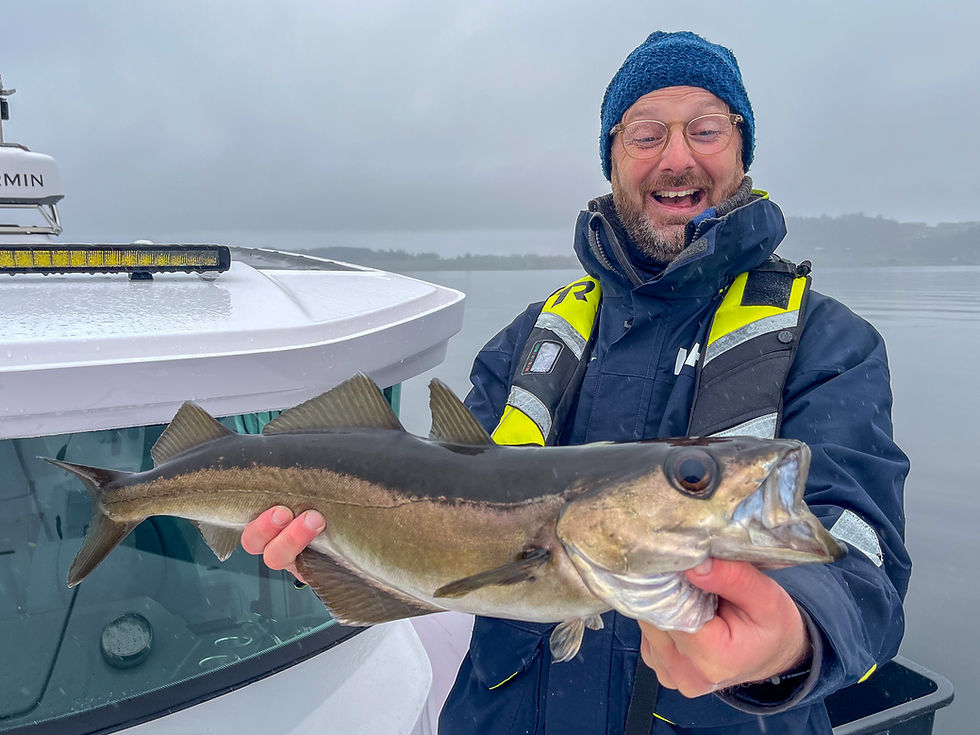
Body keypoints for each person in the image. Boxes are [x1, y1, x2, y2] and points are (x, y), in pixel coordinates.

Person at [241, 31, 910, 735]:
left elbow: (863, 561)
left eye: (706, 130)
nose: (677, 158)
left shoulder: (829, 344)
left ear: (741, 148)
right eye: (647, 134)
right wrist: (335, 548)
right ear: (613, 159)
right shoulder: (527, 343)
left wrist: (793, 633)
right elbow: (437, 540)